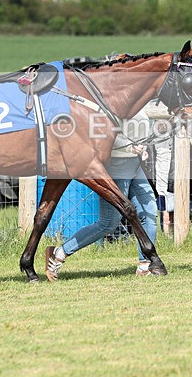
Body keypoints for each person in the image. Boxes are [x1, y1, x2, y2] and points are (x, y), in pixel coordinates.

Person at [45, 111, 158, 280]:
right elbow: (101, 131)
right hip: (115, 168)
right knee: (108, 223)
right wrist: (128, 146)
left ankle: (145, 265)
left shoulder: (137, 100)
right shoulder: (110, 100)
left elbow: (139, 126)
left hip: (135, 164)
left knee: (149, 212)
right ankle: (59, 252)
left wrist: (142, 147)